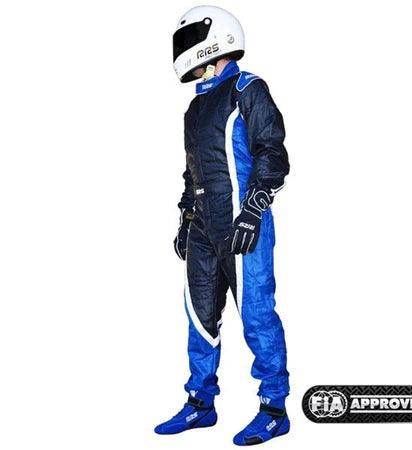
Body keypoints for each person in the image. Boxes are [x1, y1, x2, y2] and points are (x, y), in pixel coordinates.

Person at [155, 6, 291, 445]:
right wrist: (184, 216)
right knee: (199, 317)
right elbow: (192, 170)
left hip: (241, 223)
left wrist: (254, 208)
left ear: (214, 40)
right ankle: (200, 404)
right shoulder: (195, 107)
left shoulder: (248, 89)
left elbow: (272, 152)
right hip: (203, 228)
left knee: (256, 316)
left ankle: (274, 409)